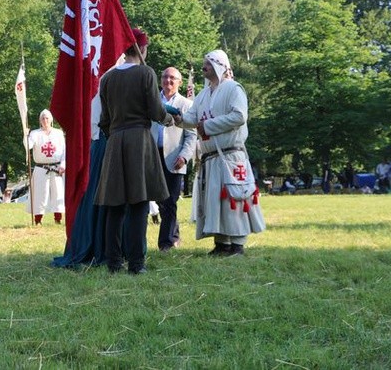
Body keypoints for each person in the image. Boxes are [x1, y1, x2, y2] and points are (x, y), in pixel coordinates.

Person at [95, 28, 173, 274]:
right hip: (139, 140)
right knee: (139, 202)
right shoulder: (145, 73)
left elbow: (104, 119)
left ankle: (114, 262)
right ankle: (137, 264)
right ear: (143, 49)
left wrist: (115, 135)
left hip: (116, 141)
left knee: (115, 205)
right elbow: (155, 110)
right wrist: (168, 119)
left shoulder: (107, 79)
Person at [176, 50, 265, 256]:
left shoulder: (234, 88)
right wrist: (175, 119)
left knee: (233, 199)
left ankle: (237, 245)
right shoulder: (203, 94)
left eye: (207, 63)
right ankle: (222, 243)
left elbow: (239, 116)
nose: (203, 67)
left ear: (218, 65)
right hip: (211, 158)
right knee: (215, 201)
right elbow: (191, 119)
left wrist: (207, 126)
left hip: (231, 156)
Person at [150, 66, 197, 252]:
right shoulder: (152, 101)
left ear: (179, 82)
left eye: (172, 78)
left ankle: (166, 243)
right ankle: (174, 234)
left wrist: (185, 156)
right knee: (160, 201)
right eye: (165, 77)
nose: (168, 81)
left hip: (174, 158)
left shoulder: (187, 104)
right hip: (152, 156)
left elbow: (191, 135)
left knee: (170, 200)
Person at [27, 109, 66, 225]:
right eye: (43, 118)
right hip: (41, 168)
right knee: (40, 194)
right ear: (40, 121)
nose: (45, 120)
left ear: (51, 120)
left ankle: (58, 219)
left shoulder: (58, 133)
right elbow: (28, 146)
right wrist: (26, 135)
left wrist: (63, 165)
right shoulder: (35, 134)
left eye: (47, 118)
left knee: (58, 193)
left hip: (56, 168)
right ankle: (38, 220)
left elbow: (64, 151)